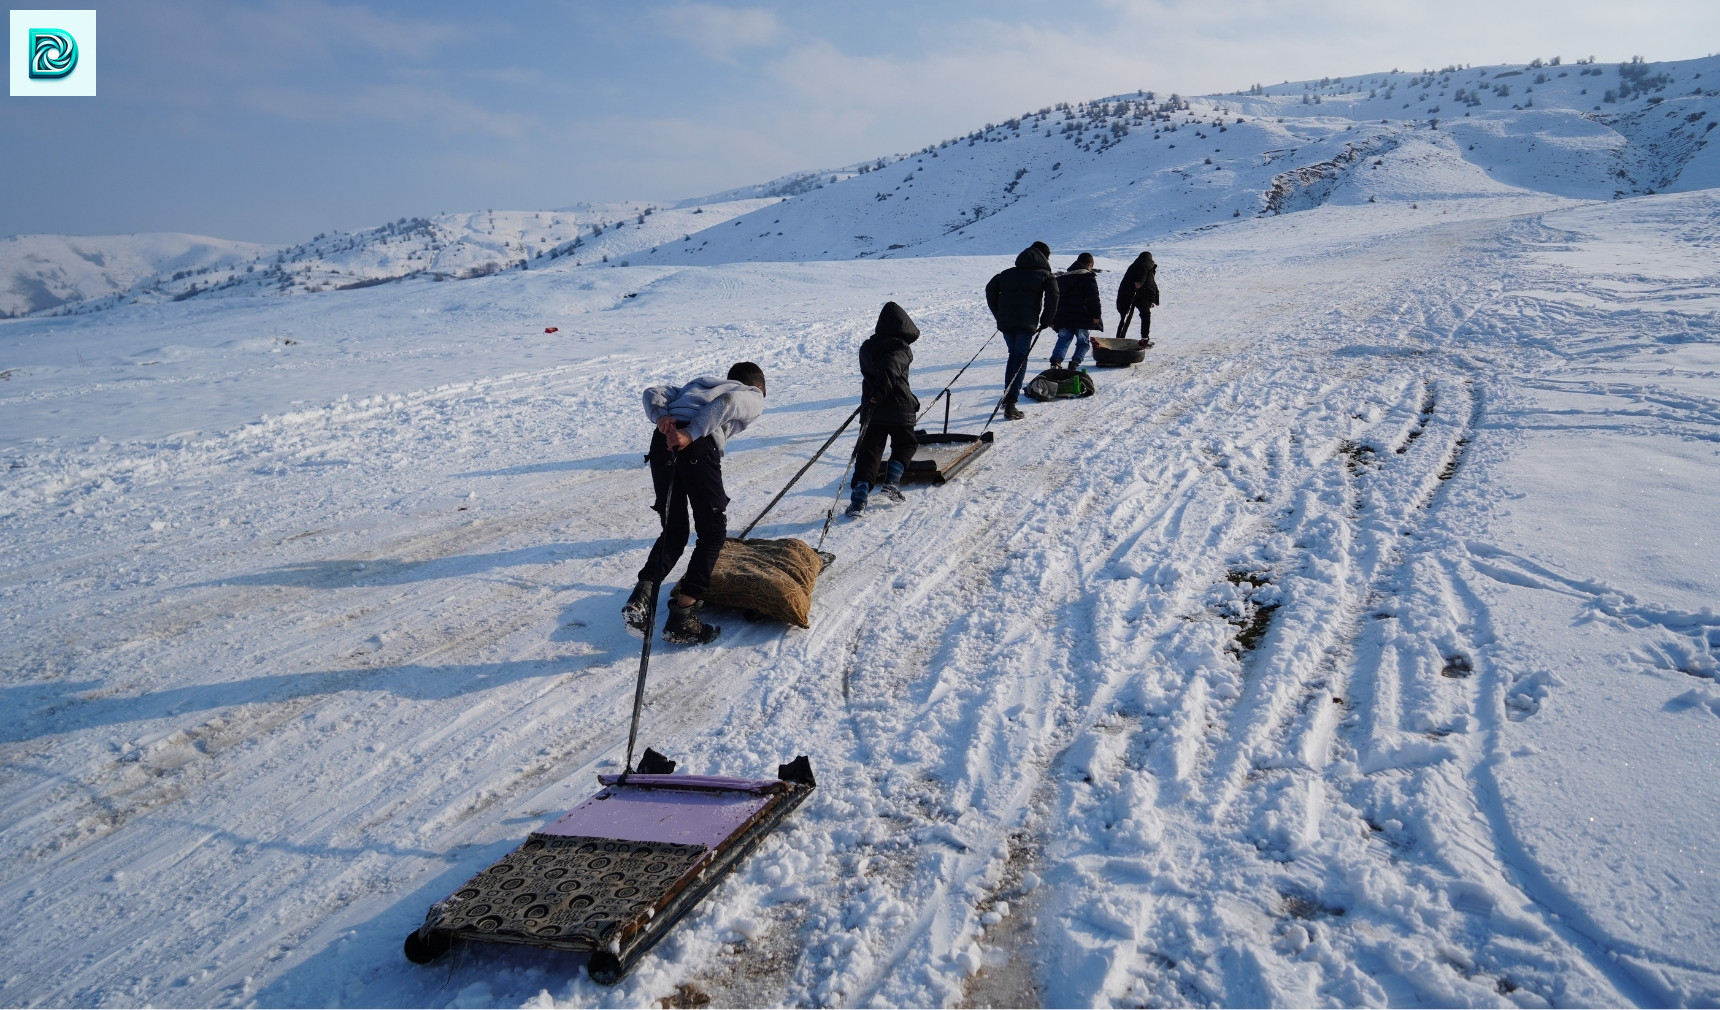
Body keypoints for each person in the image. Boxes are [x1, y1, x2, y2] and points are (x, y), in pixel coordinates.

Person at [622, 362, 767, 645]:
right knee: (712, 532)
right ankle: (683, 618)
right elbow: (731, 401)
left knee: (674, 529)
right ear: (759, 387)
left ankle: (642, 597)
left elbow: (652, 391)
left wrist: (661, 416)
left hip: (662, 440)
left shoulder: (695, 385)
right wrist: (692, 432)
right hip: (695, 444)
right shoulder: (751, 393)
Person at [848, 302, 921, 517]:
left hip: (872, 410)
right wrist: (879, 393)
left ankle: (859, 499)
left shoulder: (867, 347)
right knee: (907, 444)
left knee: (869, 454)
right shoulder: (901, 349)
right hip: (898, 408)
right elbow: (890, 369)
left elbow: (880, 371)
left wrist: (874, 397)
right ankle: (892, 481)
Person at [984, 242, 1059, 420]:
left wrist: (999, 314)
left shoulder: (1006, 274)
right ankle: (1011, 403)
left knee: (1014, 355)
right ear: (1045, 257)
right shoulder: (1046, 276)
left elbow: (990, 289)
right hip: (1026, 324)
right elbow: (1053, 297)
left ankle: (1007, 396)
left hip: (1007, 323)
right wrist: (1046, 321)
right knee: (1020, 358)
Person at [1049, 252, 1103, 369]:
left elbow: (1054, 300)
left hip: (1064, 317)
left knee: (1063, 339)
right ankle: (1074, 363)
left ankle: (1056, 362)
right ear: (1089, 264)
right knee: (1083, 343)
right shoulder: (1088, 277)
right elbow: (1093, 298)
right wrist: (1096, 315)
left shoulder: (1061, 278)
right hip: (1082, 317)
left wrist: (1052, 319)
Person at [1116, 250, 1160, 346]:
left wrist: (1152, 298)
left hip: (1129, 294)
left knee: (1125, 316)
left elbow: (1150, 282)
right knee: (1145, 316)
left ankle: (1119, 340)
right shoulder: (1147, 264)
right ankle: (1144, 340)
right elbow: (1149, 280)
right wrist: (1140, 282)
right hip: (1142, 295)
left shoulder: (1134, 265)